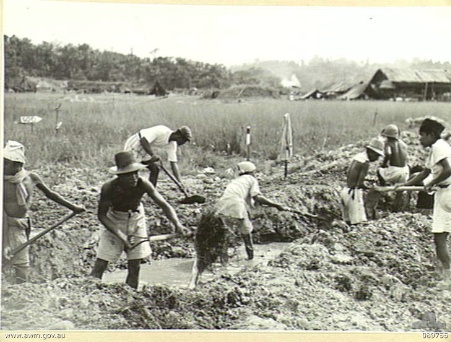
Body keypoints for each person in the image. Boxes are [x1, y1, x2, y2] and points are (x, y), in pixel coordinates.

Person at [89, 151, 190, 289]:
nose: (134, 177)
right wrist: (121, 235)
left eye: (136, 173)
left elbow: (164, 205)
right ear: (120, 176)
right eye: (129, 174)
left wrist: (177, 224)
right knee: (101, 262)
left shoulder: (143, 184)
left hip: (136, 218)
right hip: (114, 219)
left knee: (134, 266)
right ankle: (89, 292)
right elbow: (102, 215)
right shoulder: (109, 188)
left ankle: (131, 297)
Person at [189, 161, 288, 289]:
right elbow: (257, 197)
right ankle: (250, 259)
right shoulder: (251, 179)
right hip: (236, 205)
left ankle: (223, 264)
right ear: (252, 172)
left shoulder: (237, 181)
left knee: (223, 236)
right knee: (246, 233)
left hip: (221, 206)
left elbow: (251, 201)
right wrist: (276, 205)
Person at [2, 141, 85, 284]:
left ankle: (21, 292)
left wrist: (73, 207)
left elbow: (51, 194)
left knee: (20, 262)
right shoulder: (2, 182)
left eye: (6, 163)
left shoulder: (31, 178)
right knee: (15, 260)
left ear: (18, 164)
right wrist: (4, 243)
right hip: (6, 223)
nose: (2, 166)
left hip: (23, 224)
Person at [396, 118, 451, 285]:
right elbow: (425, 173)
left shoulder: (439, 146)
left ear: (431, 135)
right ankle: (445, 272)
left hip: (446, 192)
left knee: (440, 236)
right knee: (439, 236)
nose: (420, 139)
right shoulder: (436, 148)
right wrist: (404, 185)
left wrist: (432, 183)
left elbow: (448, 169)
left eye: (422, 135)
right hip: (441, 192)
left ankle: (447, 275)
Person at [123, 125, 192, 187]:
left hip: (145, 150)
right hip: (135, 143)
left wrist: (180, 182)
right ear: (179, 136)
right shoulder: (161, 130)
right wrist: (153, 155)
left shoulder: (172, 144)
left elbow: (173, 163)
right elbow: (143, 140)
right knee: (132, 170)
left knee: (155, 168)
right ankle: (128, 191)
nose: (184, 143)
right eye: (184, 140)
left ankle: (151, 191)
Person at [340, 138, 385, 225]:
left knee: (348, 222)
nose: (377, 158)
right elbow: (359, 184)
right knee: (359, 223)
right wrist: (371, 188)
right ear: (370, 151)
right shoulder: (365, 163)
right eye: (376, 155)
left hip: (345, 191)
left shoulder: (357, 158)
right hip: (354, 194)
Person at [377, 124, 410, 211]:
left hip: (394, 170)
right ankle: (396, 210)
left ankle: (384, 191)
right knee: (399, 192)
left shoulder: (388, 143)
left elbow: (388, 153)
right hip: (405, 170)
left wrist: (384, 164)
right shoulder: (403, 144)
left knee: (379, 171)